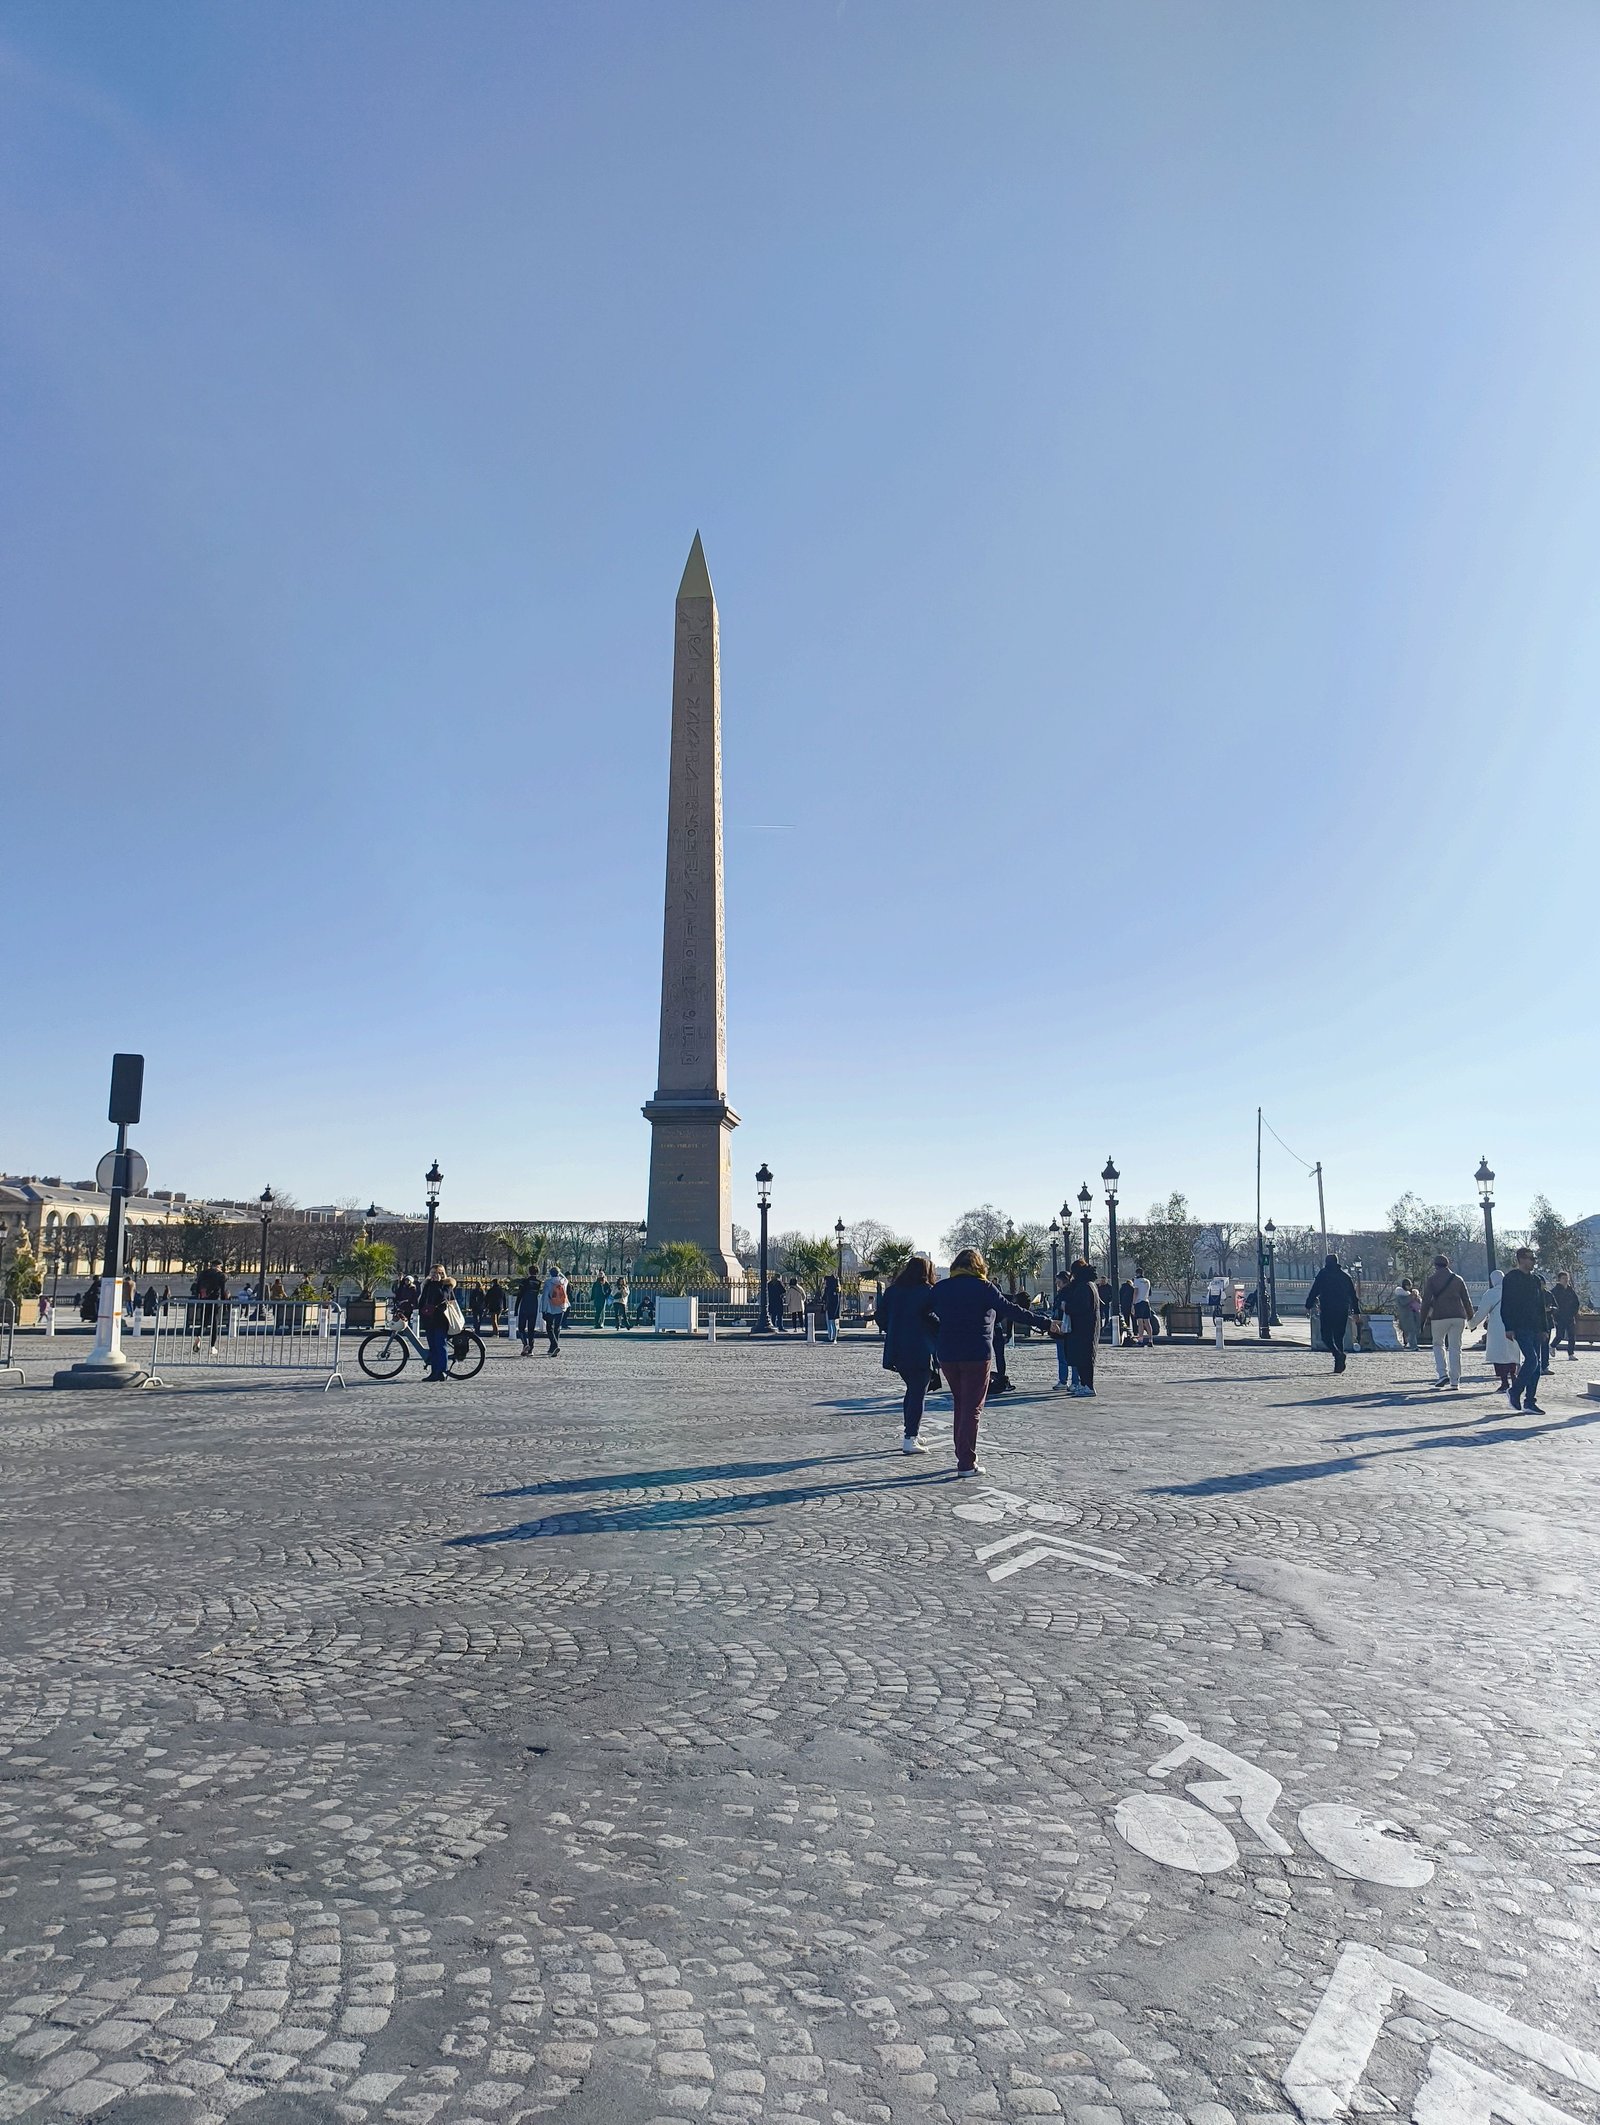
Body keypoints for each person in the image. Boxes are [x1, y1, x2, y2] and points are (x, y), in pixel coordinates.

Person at [919, 1248, 1059, 1475]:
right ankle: (966, 1462)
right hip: (976, 1352)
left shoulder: (941, 1288)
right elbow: (1011, 1310)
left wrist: (940, 1329)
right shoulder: (984, 1288)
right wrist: (1044, 1323)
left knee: (960, 1403)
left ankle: (962, 1453)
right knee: (972, 1407)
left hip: (948, 1353)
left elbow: (923, 1312)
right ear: (979, 1266)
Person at [873, 1254, 939, 1453]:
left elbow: (880, 1316)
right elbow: (935, 1317)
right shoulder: (928, 1292)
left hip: (897, 1347)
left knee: (912, 1390)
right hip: (920, 1347)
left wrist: (892, 1328)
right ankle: (910, 1438)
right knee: (918, 1393)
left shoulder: (893, 1292)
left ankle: (912, 1432)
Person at [1499, 1247, 1548, 1414]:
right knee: (1532, 1360)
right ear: (1521, 1259)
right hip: (1520, 1326)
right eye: (1530, 1258)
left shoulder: (1535, 1280)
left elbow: (1541, 1306)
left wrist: (1544, 1328)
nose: (1533, 1261)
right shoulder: (1511, 1278)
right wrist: (1508, 1327)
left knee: (1537, 1365)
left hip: (1535, 1326)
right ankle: (1515, 1391)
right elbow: (1506, 1304)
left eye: (1534, 1258)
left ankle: (1529, 1401)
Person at [1419, 1254, 1473, 1392]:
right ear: (1448, 1264)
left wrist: (1422, 1320)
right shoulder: (1458, 1279)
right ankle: (1455, 1381)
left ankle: (1442, 1374)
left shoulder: (1432, 1280)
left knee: (1438, 1344)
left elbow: (1425, 1302)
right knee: (1455, 1348)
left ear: (1435, 1266)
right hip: (1458, 1316)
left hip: (1439, 1316)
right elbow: (1466, 1300)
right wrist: (1472, 1319)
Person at [1305, 1253, 1359, 1374]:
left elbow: (1315, 1290)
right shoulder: (1345, 1276)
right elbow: (1353, 1296)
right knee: (1339, 1337)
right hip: (1342, 1309)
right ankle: (1338, 1364)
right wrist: (1356, 1311)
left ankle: (1337, 1355)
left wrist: (1308, 1305)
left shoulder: (1323, 1275)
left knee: (1326, 1336)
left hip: (1328, 1308)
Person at [1470, 1269, 1520, 1395]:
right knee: (1511, 1353)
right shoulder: (1514, 1291)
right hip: (1513, 1326)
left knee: (1499, 1354)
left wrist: (1472, 1324)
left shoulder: (1490, 1294)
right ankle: (1514, 1378)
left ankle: (1504, 1382)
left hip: (1497, 1327)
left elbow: (1481, 1312)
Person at [1059, 1258, 1101, 1396]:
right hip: (1088, 1327)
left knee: (1084, 1358)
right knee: (1085, 1357)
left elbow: (1081, 1306)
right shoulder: (1091, 1285)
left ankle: (1088, 1385)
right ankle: (1084, 1384)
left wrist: (1067, 1307)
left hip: (1083, 1328)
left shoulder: (1084, 1287)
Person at [418, 1265, 457, 1381]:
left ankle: (442, 1371)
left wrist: (437, 1284)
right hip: (429, 1319)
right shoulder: (427, 1285)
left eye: (437, 1273)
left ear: (442, 1273)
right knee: (433, 1347)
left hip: (441, 1319)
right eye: (433, 1272)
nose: (434, 1275)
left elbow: (442, 1296)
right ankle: (434, 1372)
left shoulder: (446, 1284)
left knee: (440, 1346)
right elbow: (422, 1300)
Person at [191, 1263, 228, 1350]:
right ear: (219, 1266)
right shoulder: (220, 1275)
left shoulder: (203, 1274)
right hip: (216, 1300)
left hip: (205, 1300)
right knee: (215, 1323)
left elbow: (197, 1288)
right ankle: (212, 1346)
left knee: (204, 1322)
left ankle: (199, 1336)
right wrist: (224, 1302)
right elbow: (222, 1290)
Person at [1551, 1272, 1580, 1362]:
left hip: (1570, 1316)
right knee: (1560, 1335)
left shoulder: (1570, 1290)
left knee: (1572, 1335)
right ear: (1559, 1280)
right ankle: (1552, 1346)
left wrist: (1574, 1312)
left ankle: (1571, 1354)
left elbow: (1576, 1302)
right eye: (1563, 1278)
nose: (1566, 1280)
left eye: (1566, 1278)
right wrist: (1555, 1316)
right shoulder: (1555, 1291)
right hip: (1559, 1317)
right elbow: (1552, 1304)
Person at [541, 1264, 569, 1356]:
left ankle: (554, 1345)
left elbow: (545, 1297)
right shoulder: (563, 1281)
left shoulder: (548, 1282)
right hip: (561, 1307)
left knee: (549, 1328)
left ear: (550, 1273)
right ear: (558, 1273)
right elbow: (566, 1279)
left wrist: (543, 1310)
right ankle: (552, 1348)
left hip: (550, 1307)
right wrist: (560, 1273)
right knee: (557, 1328)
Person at [514, 1272, 541, 1356]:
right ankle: (531, 1349)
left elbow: (520, 1295)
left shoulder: (524, 1282)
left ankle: (525, 1344)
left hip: (524, 1306)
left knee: (521, 1327)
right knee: (531, 1329)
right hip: (534, 1307)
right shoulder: (538, 1283)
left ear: (529, 1272)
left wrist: (516, 1308)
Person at [1394, 1278, 1423, 1350]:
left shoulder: (1410, 1292)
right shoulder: (1400, 1294)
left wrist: (1416, 1296)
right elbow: (1404, 1303)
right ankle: (1413, 1345)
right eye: (1408, 1285)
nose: (1410, 1287)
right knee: (1411, 1331)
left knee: (1413, 1331)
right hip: (1406, 1315)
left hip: (1414, 1314)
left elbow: (1419, 1301)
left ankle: (1410, 1344)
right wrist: (1411, 1296)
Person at [1130, 1269, 1155, 1346]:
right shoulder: (1147, 1281)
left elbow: (1136, 1292)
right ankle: (1150, 1340)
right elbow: (1149, 1293)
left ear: (1137, 1273)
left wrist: (1133, 1304)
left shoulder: (1136, 1281)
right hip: (1146, 1302)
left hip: (1139, 1302)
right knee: (1147, 1322)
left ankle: (1141, 1340)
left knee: (1140, 1323)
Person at [823, 1272, 842, 1344]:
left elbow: (825, 1298)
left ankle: (831, 1337)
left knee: (830, 1323)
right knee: (833, 1323)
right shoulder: (836, 1289)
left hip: (830, 1307)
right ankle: (833, 1337)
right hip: (834, 1308)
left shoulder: (830, 1289)